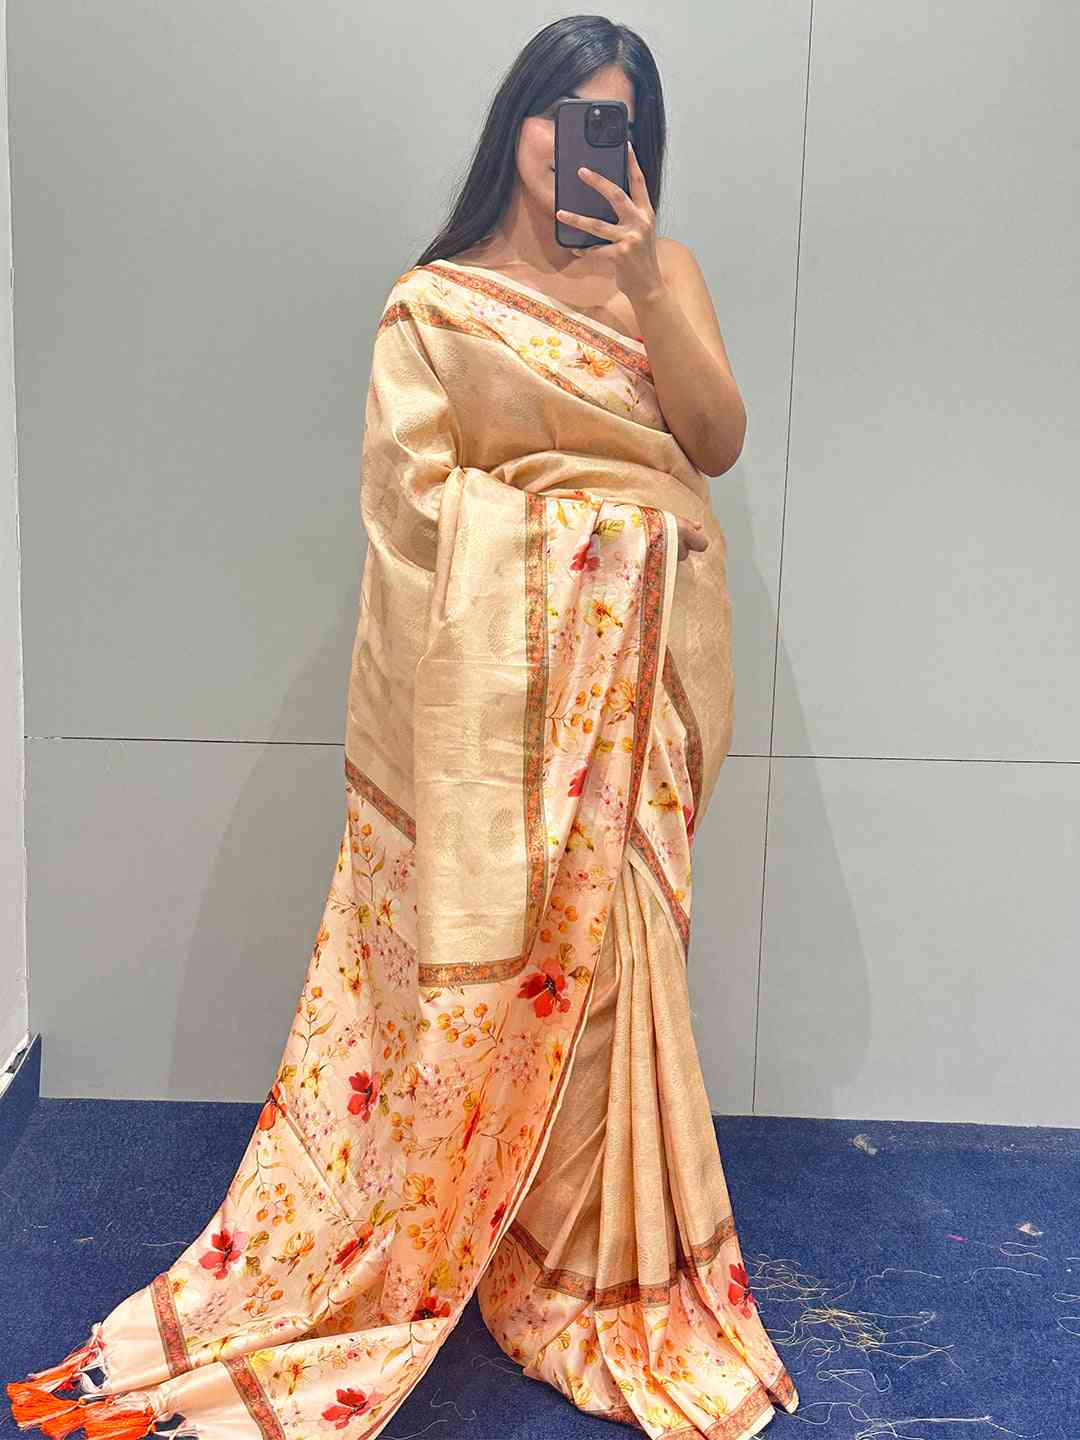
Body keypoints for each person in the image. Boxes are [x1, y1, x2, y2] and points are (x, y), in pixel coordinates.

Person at [5, 16, 799, 1440]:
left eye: (614, 123)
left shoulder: (663, 275)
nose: (579, 146)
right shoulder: (434, 306)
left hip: (647, 698)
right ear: (515, 126)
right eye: (561, 115)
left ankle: (588, 1256)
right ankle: (477, 1223)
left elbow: (717, 439)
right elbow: (420, 523)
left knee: (616, 979)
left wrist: (642, 285)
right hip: (516, 716)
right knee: (507, 983)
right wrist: (592, 555)